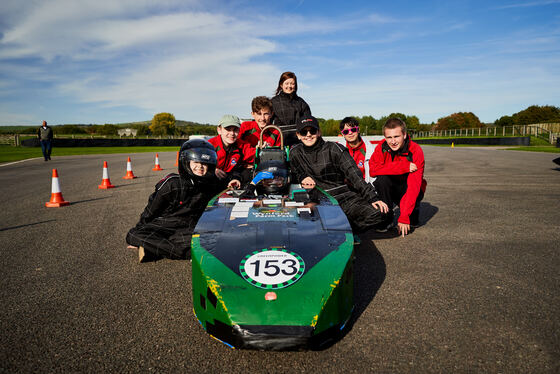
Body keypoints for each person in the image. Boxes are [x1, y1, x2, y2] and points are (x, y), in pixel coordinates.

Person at [126, 139, 226, 262]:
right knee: (133, 235)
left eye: (204, 163)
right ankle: (188, 253)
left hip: (189, 228)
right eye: (195, 162)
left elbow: (231, 181)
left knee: (214, 238)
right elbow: (151, 211)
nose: (200, 166)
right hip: (166, 224)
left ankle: (155, 249)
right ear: (185, 162)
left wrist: (235, 179)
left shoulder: (211, 183)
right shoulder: (172, 183)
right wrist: (140, 232)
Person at [289, 116, 390, 236]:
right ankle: (334, 228)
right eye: (304, 132)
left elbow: (355, 175)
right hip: (317, 201)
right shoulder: (295, 152)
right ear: (298, 135)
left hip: (343, 197)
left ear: (319, 132)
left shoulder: (334, 148)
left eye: (313, 131)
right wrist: (302, 177)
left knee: (381, 213)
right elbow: (295, 174)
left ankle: (342, 230)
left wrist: (372, 197)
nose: (308, 135)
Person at [369, 118, 427, 237]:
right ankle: (387, 219)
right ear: (385, 137)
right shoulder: (381, 147)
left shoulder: (416, 150)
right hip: (392, 187)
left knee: (412, 221)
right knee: (381, 180)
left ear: (404, 135)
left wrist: (404, 216)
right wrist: (403, 166)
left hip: (410, 189)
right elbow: (373, 171)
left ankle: (414, 211)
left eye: (397, 136)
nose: (393, 141)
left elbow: (413, 187)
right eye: (389, 137)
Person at [208, 115, 255, 187]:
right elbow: (196, 164)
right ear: (219, 130)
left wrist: (262, 150)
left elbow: (257, 156)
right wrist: (212, 170)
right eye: (228, 129)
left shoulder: (242, 145)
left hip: (232, 180)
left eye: (235, 129)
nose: (232, 133)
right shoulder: (210, 145)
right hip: (211, 181)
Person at [271, 71, 312, 147]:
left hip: (298, 141)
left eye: (292, 84)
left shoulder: (301, 102)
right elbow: (268, 122)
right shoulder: (273, 102)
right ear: (281, 85)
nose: (289, 86)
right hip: (279, 141)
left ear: (295, 86)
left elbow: (308, 122)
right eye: (286, 83)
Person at [338, 117, 375, 183]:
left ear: (358, 130)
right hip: (345, 188)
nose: (350, 133)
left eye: (353, 130)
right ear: (342, 134)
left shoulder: (369, 149)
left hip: (365, 187)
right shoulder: (338, 148)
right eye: (346, 131)